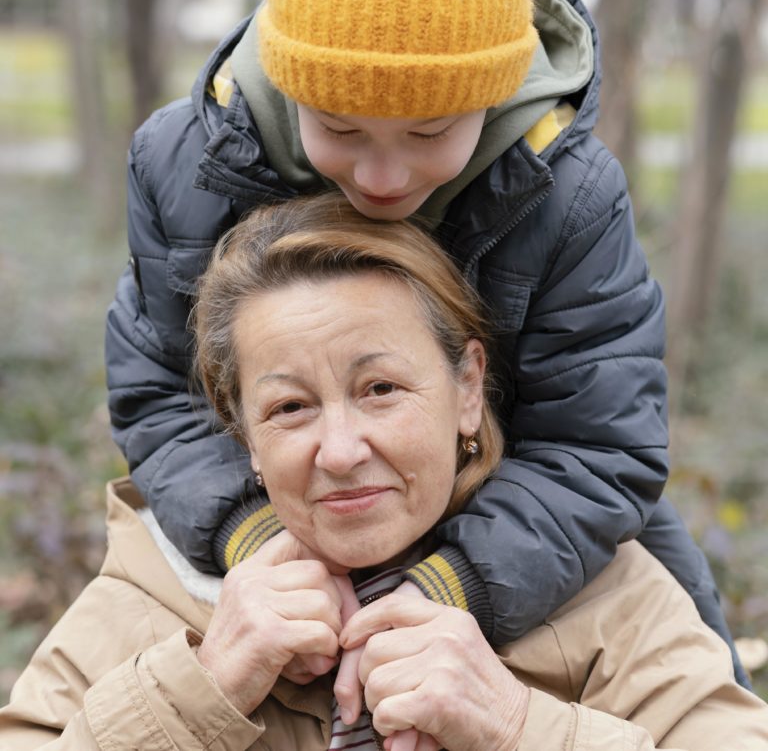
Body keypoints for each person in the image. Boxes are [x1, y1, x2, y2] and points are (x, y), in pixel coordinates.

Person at [105, 0, 747, 683]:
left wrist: (451, 587)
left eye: (429, 132)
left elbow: (600, 446)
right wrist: (260, 541)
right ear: (294, 84)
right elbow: (160, 394)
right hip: (283, 517)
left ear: (492, 95)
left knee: (694, 665)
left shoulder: (571, 195)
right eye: (338, 128)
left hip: (518, 525)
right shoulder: (182, 162)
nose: (379, 174)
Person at [3, 195, 766, 750]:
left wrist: (516, 724)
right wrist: (203, 686)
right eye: (291, 408)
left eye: (380, 390)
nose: (339, 450)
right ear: (243, 435)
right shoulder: (156, 593)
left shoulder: (609, 599)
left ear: (467, 389)